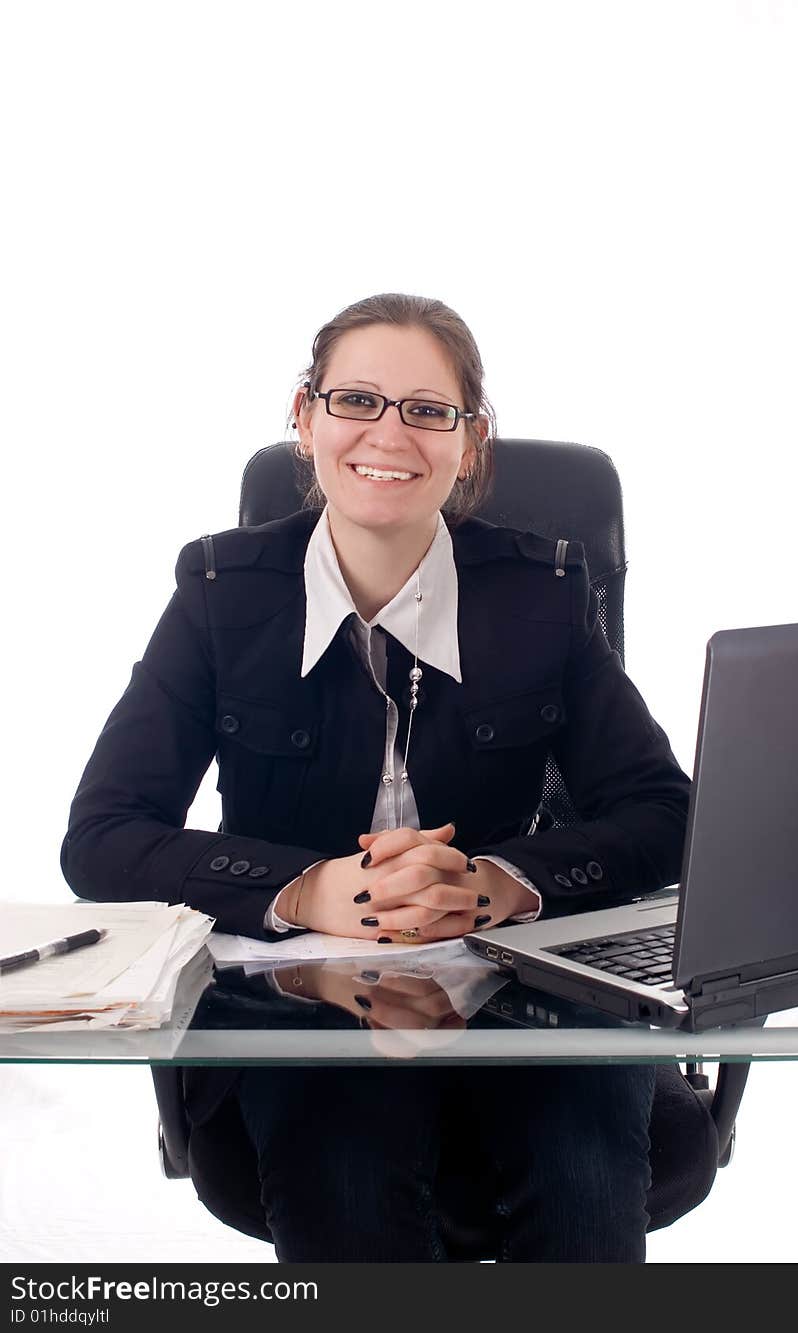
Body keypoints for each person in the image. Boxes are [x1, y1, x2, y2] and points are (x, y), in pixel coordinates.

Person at [61, 292, 693, 1261]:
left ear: (468, 441)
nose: (387, 433)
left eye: (427, 409)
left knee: (576, 1167)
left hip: (519, 991)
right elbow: (104, 834)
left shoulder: (541, 591)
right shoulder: (220, 593)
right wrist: (302, 887)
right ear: (305, 417)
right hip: (301, 999)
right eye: (357, 399)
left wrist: (497, 880)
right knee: (344, 1171)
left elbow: (663, 812)